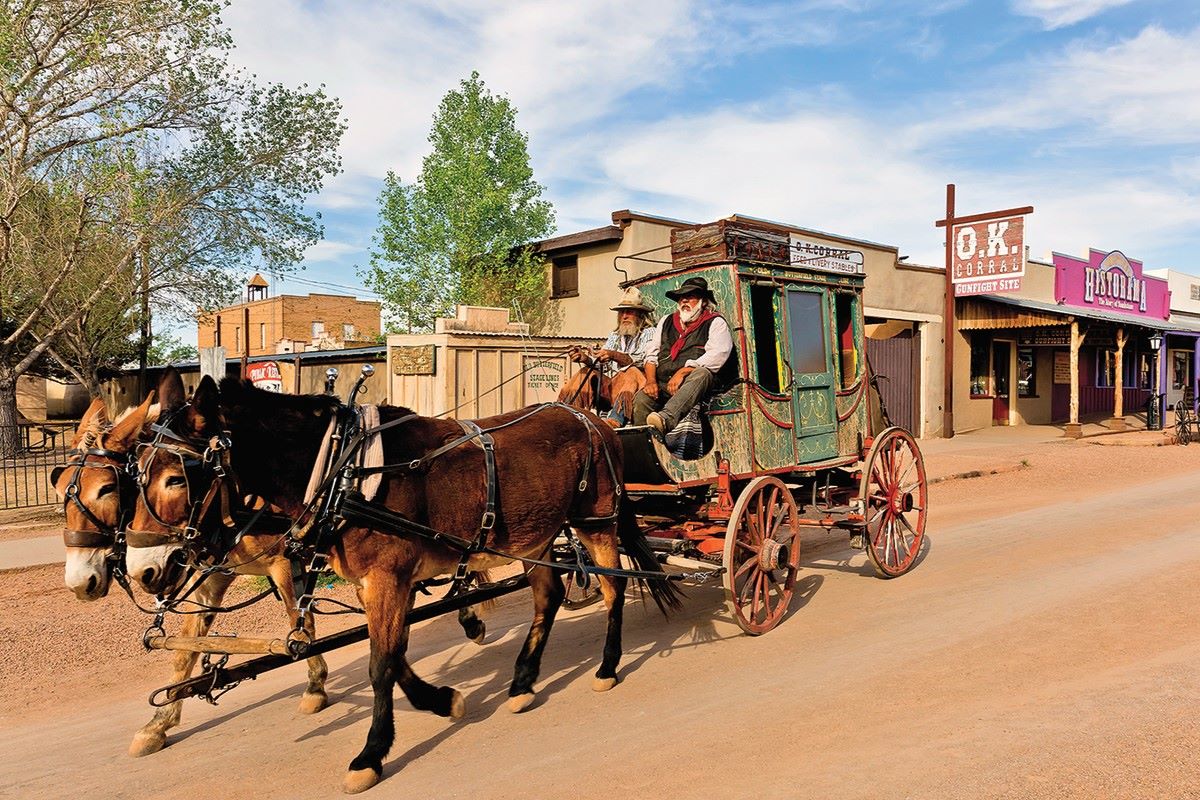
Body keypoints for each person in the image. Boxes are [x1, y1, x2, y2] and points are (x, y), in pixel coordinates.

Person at [633, 275, 736, 434]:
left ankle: (666, 418)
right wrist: (651, 381)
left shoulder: (715, 322)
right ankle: (642, 442)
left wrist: (682, 372)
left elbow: (717, 355)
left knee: (703, 373)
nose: (684, 302)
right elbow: (651, 354)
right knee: (642, 398)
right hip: (664, 382)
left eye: (690, 297)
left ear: (703, 302)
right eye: (681, 298)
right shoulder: (666, 321)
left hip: (695, 384)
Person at [557, 288, 656, 425]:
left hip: (637, 388)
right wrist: (585, 358)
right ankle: (563, 413)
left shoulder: (650, 333)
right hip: (613, 387)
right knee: (584, 373)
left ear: (640, 315)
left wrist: (614, 355)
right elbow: (603, 364)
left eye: (629, 312)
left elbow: (642, 361)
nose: (624, 316)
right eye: (622, 312)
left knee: (630, 371)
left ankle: (615, 420)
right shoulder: (614, 336)